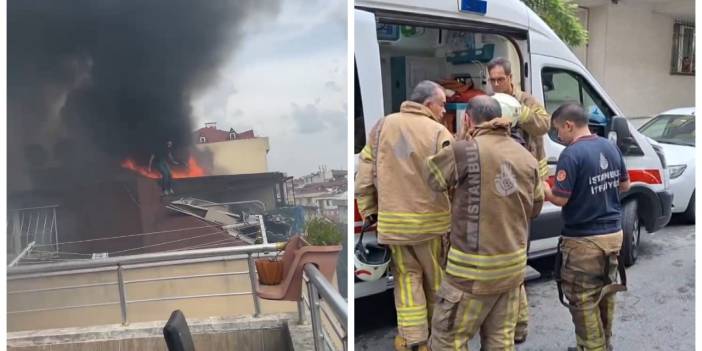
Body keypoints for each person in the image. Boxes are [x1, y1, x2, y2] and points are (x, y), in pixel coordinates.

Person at [426, 96, 543, 350]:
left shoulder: (464, 150)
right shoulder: (526, 157)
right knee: (500, 341)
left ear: (468, 119)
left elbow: (432, 178)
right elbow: (536, 207)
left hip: (470, 275)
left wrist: (459, 139)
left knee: (448, 340)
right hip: (512, 271)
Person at [355, 80, 454, 351]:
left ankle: (413, 339)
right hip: (431, 225)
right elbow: (453, 178)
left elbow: (364, 171)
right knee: (436, 281)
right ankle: (437, 339)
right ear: (427, 104)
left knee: (406, 279)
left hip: (394, 226)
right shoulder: (438, 132)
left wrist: (369, 210)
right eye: (442, 104)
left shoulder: (382, 126)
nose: (444, 110)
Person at [543, 103, 630, 351]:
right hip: (613, 236)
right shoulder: (609, 147)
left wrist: (544, 189)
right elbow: (625, 185)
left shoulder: (571, 154)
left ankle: (592, 348)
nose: (558, 136)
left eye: (558, 130)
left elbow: (560, 198)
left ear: (569, 125)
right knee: (606, 293)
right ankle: (605, 343)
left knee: (583, 301)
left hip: (584, 242)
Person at [488, 57, 551, 343]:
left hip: (525, 188)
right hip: (497, 185)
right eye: (492, 80)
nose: (496, 84)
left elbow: (543, 125)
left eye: (500, 80)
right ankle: (507, 318)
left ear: (511, 79)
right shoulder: (488, 102)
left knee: (517, 255)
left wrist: (517, 114)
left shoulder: (527, 100)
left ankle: (516, 323)